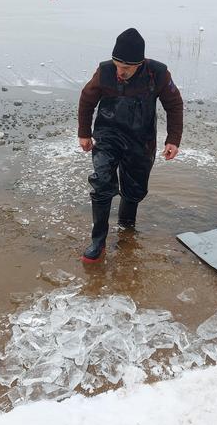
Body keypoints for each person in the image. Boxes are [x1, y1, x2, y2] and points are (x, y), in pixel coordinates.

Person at [78, 28, 183, 263]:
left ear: (140, 63)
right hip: (108, 135)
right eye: (117, 65)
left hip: (141, 138)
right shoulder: (105, 71)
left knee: (134, 189)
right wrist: (84, 133)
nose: (120, 71)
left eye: (126, 68)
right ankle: (98, 241)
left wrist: (173, 139)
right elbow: (86, 99)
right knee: (102, 182)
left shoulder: (158, 73)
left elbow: (174, 105)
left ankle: (126, 229)